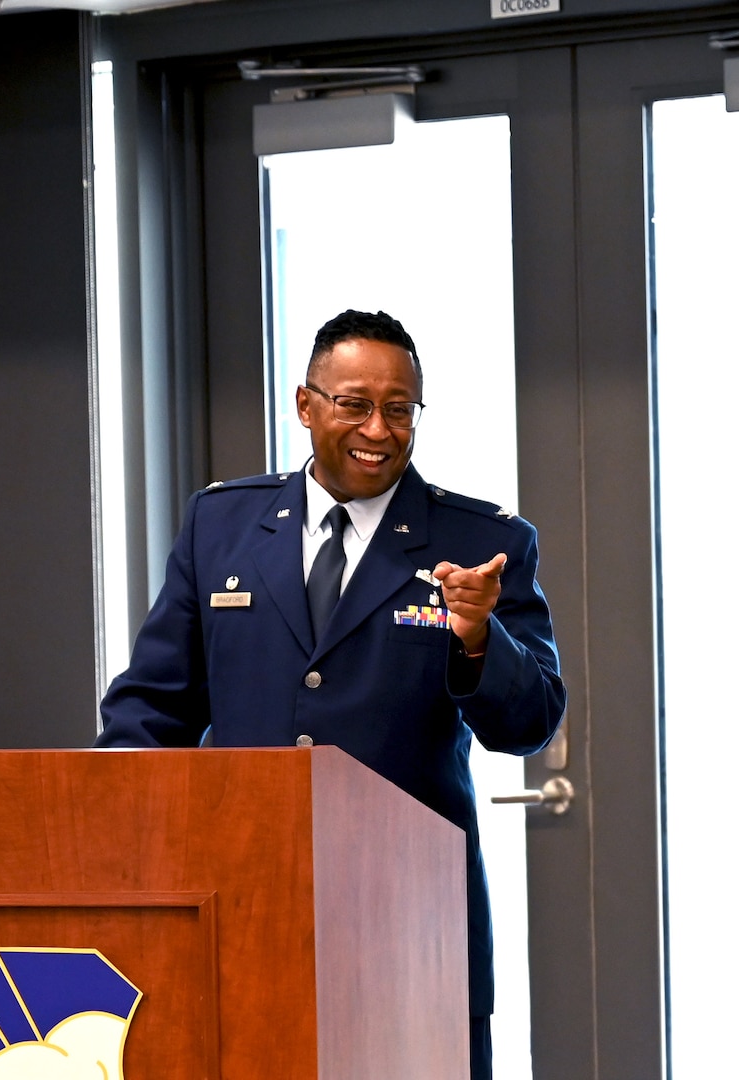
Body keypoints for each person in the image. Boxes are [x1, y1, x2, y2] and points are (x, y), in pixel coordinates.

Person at [96, 309, 566, 1080]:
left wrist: (481, 638)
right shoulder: (223, 524)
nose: (377, 429)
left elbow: (530, 723)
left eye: (398, 409)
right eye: (354, 404)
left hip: (411, 925)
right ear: (306, 404)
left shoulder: (483, 543)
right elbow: (154, 706)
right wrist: (103, 835)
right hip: (240, 907)